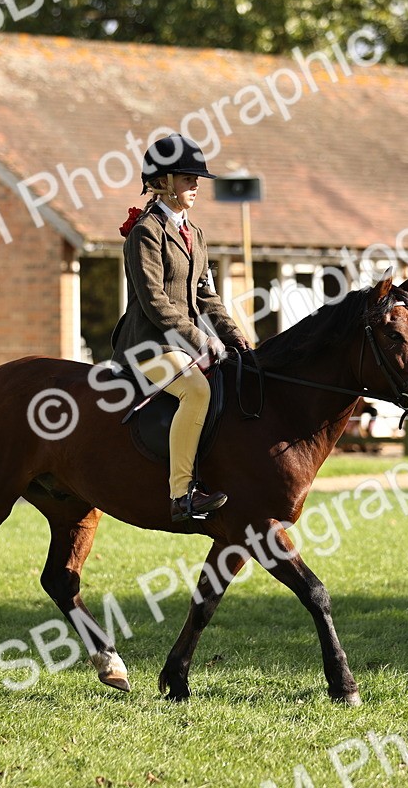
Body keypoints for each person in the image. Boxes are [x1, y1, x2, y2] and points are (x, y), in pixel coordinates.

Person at [111, 133, 251, 524]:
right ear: (164, 181)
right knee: (195, 389)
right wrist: (201, 339)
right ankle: (181, 494)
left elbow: (206, 294)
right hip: (147, 346)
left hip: (184, 345)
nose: (196, 186)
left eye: (197, 179)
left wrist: (232, 335)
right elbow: (156, 302)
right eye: (188, 178)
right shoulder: (145, 232)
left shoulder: (196, 234)